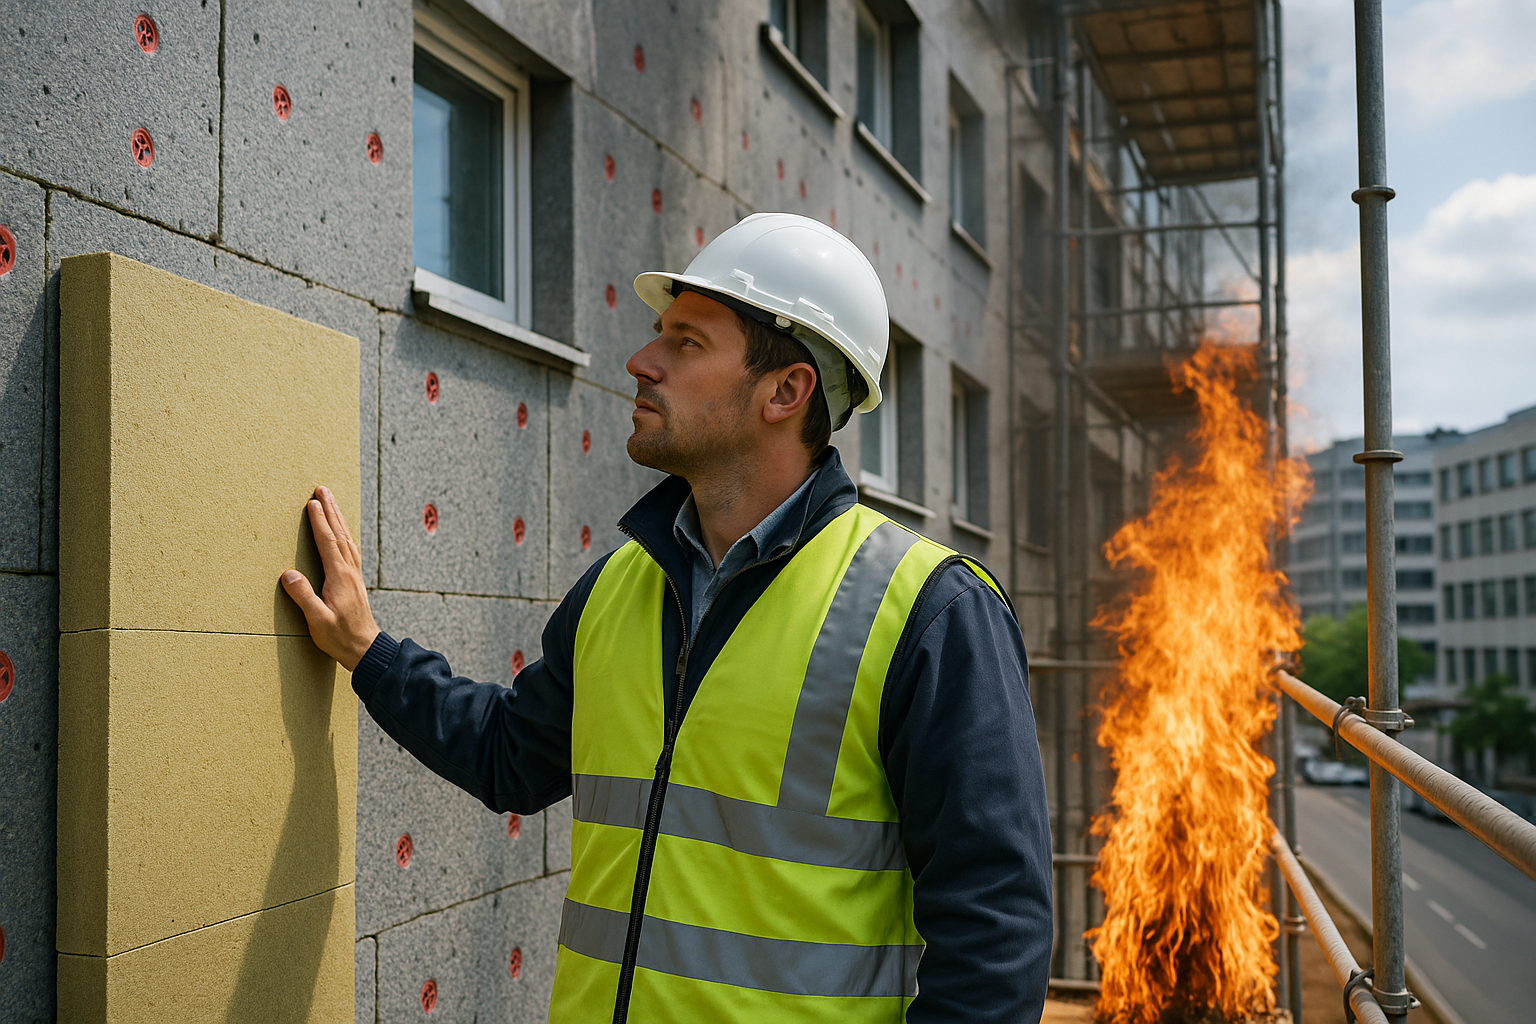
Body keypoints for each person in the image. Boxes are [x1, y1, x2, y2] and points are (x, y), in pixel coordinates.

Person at [282, 213, 1052, 1023]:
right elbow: (510, 755)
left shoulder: (930, 612)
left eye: (686, 343)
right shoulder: (620, 585)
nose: (641, 362)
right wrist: (368, 651)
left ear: (786, 390)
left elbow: (993, 933)